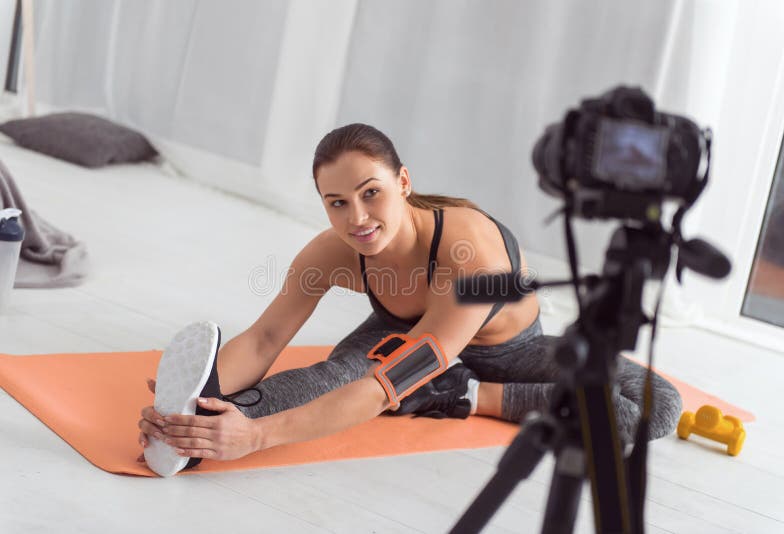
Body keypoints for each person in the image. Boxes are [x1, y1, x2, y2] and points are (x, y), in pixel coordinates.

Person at [137, 123, 683, 465]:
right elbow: (265, 338)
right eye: (337, 203)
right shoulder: (330, 253)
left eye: (370, 193)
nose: (357, 219)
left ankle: (464, 394)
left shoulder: (471, 257)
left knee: (654, 410)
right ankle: (200, 430)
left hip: (508, 353)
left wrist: (255, 440)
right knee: (333, 374)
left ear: (403, 182)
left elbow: (380, 390)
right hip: (404, 338)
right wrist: (195, 405)